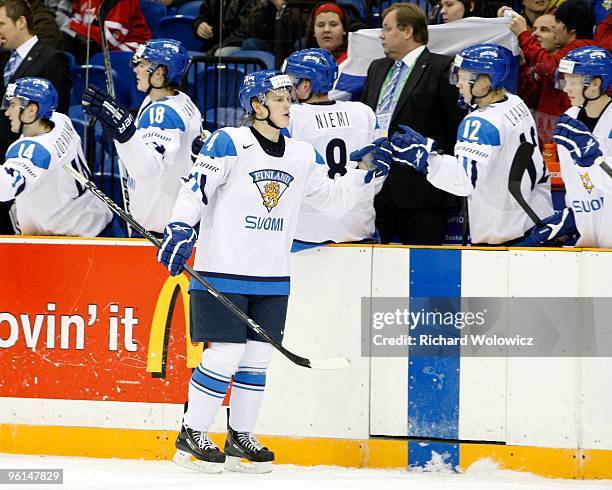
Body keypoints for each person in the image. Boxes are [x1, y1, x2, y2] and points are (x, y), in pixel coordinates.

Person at [155, 70, 390, 473]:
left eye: (288, 98)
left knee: (258, 359)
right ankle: (192, 430)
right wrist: (179, 226)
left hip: (273, 275)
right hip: (222, 271)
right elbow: (195, 189)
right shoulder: (229, 142)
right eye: (279, 98)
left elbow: (333, 203)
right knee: (227, 354)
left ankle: (240, 435)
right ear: (257, 105)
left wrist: (364, 175)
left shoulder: (301, 154)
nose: (288, 105)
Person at [385, 44, 553, 245]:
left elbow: (463, 181)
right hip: (535, 221)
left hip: (504, 235)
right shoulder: (515, 103)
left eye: (463, 78)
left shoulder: (479, 122)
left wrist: (427, 158)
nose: (457, 84)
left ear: (485, 82)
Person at [361, 3, 463, 245]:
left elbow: (455, 128)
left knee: (423, 266)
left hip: (423, 193)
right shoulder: (377, 67)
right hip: (377, 186)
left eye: (387, 28)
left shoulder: (442, 67)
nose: (381, 35)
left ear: (407, 31)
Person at [81, 39, 201, 236]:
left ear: (161, 72)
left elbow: (147, 168)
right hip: (170, 223)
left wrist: (125, 132)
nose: (136, 69)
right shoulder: (179, 100)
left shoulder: (162, 113)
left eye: (143, 64)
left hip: (162, 232)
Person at [283, 47, 382, 244]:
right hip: (358, 227)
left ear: (305, 85)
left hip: (306, 232)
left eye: (291, 81)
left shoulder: (289, 117)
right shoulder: (364, 113)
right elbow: (378, 171)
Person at [0, 77, 114, 236]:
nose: (7, 112)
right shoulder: (60, 120)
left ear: (32, 110)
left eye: (12, 105)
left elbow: (4, 189)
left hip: (72, 242)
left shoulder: (33, 152)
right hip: (97, 219)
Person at [521, 47, 611, 246]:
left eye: (573, 82)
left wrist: (593, 159)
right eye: (565, 80)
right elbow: (578, 186)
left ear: (595, 83)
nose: (565, 88)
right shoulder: (569, 119)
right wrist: (567, 221)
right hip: (586, 242)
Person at [0, 0, 71, 235]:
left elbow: (54, 116)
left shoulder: (52, 59)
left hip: (31, 169)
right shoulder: (3, 60)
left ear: (20, 22)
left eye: (1, 24)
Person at [61, 0, 151, 64]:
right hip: (99, 48)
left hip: (134, 50)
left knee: (95, 62)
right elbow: (76, 22)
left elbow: (111, 39)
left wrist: (70, 24)